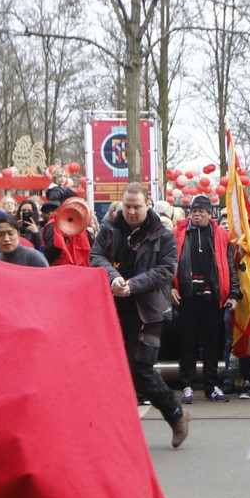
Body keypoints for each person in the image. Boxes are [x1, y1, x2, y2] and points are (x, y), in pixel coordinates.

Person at [89, 183, 188, 448]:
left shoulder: (163, 235)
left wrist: (132, 285)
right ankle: (115, 428)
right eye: (127, 206)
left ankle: (176, 415)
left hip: (149, 311)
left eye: (137, 206)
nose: (131, 211)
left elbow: (165, 271)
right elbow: (96, 256)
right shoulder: (109, 229)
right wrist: (113, 278)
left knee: (140, 368)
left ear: (148, 205)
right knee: (112, 368)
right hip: (113, 308)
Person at [172, 195, 239, 405]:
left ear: (210, 214)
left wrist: (233, 294)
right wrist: (170, 288)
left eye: (201, 211)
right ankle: (187, 385)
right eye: (194, 211)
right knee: (187, 344)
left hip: (213, 298)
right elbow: (168, 264)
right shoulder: (177, 234)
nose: (197, 215)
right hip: (187, 297)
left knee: (212, 345)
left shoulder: (222, 236)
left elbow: (230, 267)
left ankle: (211, 386)